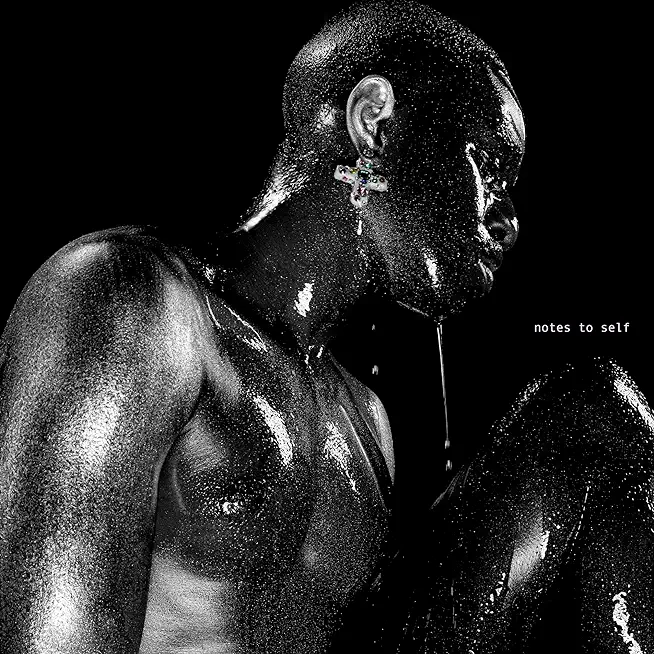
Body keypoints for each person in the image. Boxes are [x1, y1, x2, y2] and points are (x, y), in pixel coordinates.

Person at [0, 2, 651, 653]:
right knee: (590, 410)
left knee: (595, 416)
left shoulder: (364, 423)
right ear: (375, 122)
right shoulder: (129, 299)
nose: (508, 220)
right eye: (489, 165)